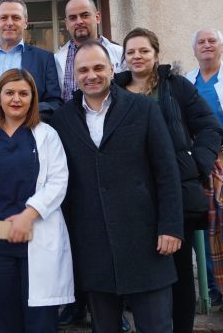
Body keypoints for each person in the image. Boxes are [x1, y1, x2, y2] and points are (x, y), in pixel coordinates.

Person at [52, 40, 184, 333]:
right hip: (93, 244)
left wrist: (171, 227)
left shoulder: (143, 108)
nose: (91, 75)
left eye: (98, 67)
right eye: (83, 70)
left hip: (146, 240)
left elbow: (166, 172)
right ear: (74, 75)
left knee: (157, 326)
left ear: (112, 69)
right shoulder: (62, 119)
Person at [114, 28, 222, 333]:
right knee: (141, 269)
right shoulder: (115, 92)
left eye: (143, 51)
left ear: (156, 54)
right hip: (131, 195)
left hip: (175, 193)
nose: (137, 56)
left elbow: (210, 127)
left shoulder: (176, 86)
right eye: (131, 52)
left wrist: (194, 164)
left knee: (179, 271)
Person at [0, 68, 74, 332]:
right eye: (9, 93)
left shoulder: (47, 135)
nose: (16, 99)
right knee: (3, 318)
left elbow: (58, 181)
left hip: (38, 234)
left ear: (33, 99)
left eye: (23, 93)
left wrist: (28, 215)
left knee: (40, 320)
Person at [186, 28, 223, 306]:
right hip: (198, 159)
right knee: (205, 225)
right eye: (201, 42)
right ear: (194, 50)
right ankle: (213, 289)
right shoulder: (187, 81)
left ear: (221, 47)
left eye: (212, 41)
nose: (206, 45)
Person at [0, 0, 62, 119]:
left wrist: (27, 115)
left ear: (25, 23)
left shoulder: (44, 59)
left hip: (28, 128)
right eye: (3, 18)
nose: (9, 23)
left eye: (16, 18)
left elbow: (54, 103)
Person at [55, 0, 124, 103]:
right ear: (67, 24)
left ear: (97, 17)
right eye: (73, 18)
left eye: (85, 15)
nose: (79, 21)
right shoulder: (56, 59)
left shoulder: (121, 54)